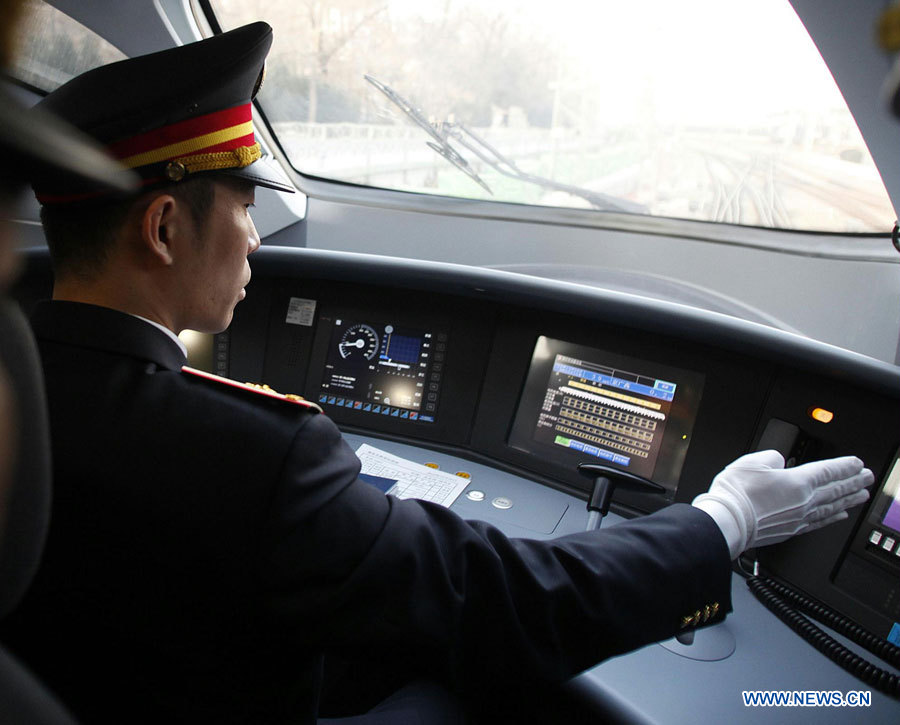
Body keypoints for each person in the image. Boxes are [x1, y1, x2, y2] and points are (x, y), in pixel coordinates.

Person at [0, 22, 873, 725]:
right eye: (244, 204)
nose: (259, 237)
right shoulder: (260, 456)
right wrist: (723, 520)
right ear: (162, 228)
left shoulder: (14, 389)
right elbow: (511, 604)